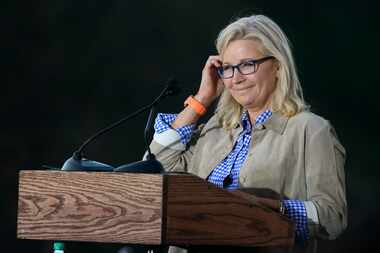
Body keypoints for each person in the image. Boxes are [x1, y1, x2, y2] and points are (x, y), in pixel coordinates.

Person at [149, 14, 347, 253]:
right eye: (228, 68)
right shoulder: (215, 130)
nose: (237, 78)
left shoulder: (311, 130)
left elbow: (332, 217)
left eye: (247, 65)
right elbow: (154, 169)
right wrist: (201, 99)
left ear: (277, 65)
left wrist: (272, 208)